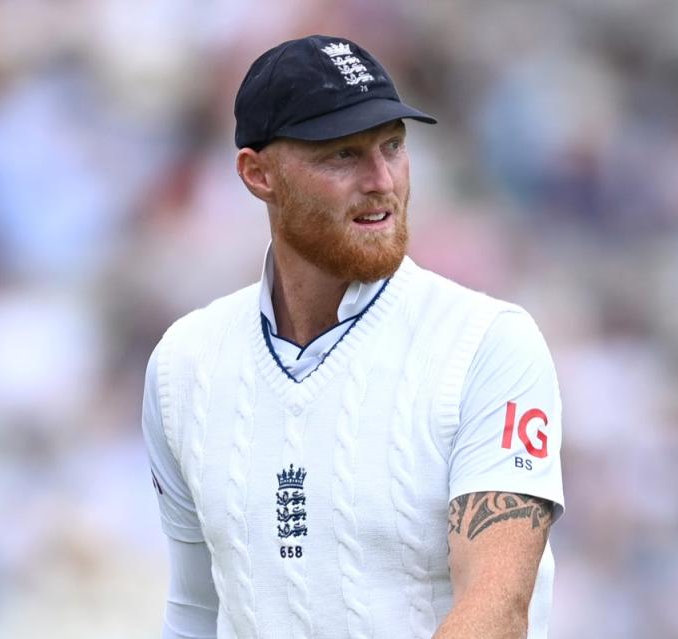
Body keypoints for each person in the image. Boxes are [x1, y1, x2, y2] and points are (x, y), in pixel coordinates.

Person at [142, 34, 565, 639]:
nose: (381, 181)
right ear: (257, 173)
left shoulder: (488, 343)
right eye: (342, 155)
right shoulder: (183, 364)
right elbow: (194, 612)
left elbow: (496, 612)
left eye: (392, 146)